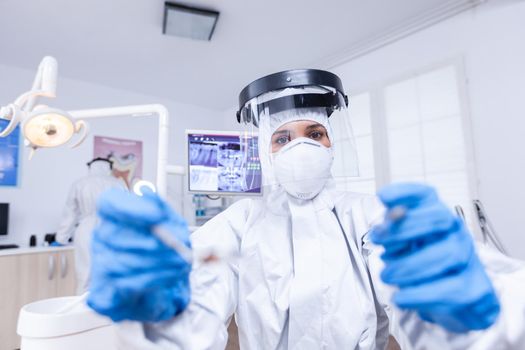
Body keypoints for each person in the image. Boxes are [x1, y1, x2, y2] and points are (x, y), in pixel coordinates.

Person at [87, 69, 525, 349]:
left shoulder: (366, 213)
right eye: (282, 138)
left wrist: (468, 315)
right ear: (266, 151)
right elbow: (197, 292)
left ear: (333, 144)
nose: (301, 146)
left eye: (315, 133)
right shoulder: (240, 221)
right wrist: (161, 312)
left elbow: (426, 293)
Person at [54, 157, 124, 294]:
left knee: (85, 274)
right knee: (110, 274)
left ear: (90, 167)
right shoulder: (118, 184)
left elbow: (70, 212)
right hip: (111, 230)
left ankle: (82, 311)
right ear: (109, 167)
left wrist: (61, 238)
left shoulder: (80, 183)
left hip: (86, 229)